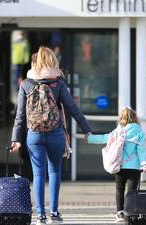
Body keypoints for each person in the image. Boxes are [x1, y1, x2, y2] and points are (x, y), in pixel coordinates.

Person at [11, 47, 92, 225]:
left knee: (38, 174)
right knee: (54, 172)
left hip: (34, 135)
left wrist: (16, 139)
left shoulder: (26, 84)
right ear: (52, 60)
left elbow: (20, 115)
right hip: (55, 133)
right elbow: (72, 108)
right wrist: (87, 129)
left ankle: (40, 215)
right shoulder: (58, 83)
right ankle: (54, 213)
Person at [87, 106, 146, 223]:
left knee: (119, 189)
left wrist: (90, 138)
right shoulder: (139, 132)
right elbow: (141, 150)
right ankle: (130, 213)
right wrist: (145, 165)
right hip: (134, 168)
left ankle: (120, 213)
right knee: (132, 191)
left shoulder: (118, 131)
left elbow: (104, 138)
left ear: (122, 118)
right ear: (135, 118)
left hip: (119, 166)